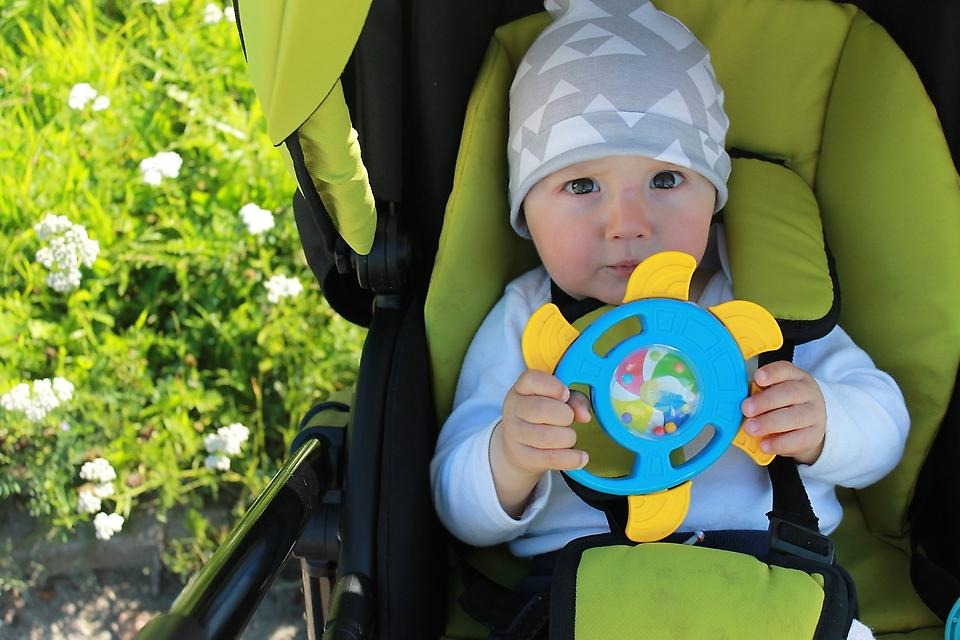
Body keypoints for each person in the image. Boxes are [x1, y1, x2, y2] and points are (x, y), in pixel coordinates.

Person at [430, 1, 909, 637]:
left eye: (665, 179)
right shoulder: (529, 317)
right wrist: (509, 459)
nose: (627, 222)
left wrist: (823, 424)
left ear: (713, 197)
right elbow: (455, 506)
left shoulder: (762, 308)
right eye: (580, 187)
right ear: (525, 211)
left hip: (774, 583)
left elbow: (885, 424)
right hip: (588, 592)